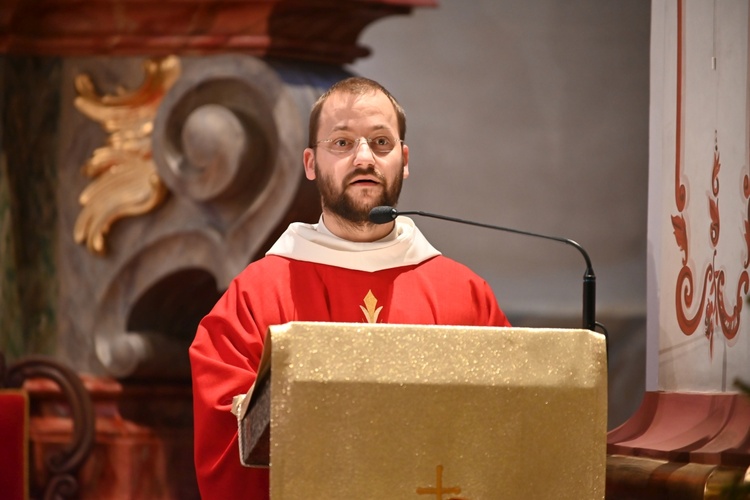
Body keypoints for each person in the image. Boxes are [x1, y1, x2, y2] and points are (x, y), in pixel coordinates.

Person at [189, 77, 511, 499]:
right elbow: (224, 437)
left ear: (404, 158)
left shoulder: (464, 294)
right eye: (341, 143)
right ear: (310, 163)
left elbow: (510, 427)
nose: (364, 158)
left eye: (381, 142)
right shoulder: (257, 295)